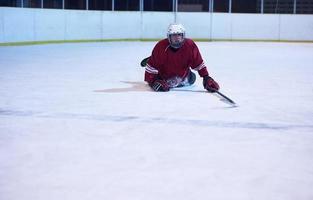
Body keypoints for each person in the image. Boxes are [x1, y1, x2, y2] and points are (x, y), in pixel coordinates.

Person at [144, 23, 220, 92]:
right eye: (174, 35)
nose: (177, 38)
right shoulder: (161, 47)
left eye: (179, 35)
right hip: (163, 77)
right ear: (169, 37)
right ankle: (152, 58)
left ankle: (154, 58)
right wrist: (153, 81)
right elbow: (150, 70)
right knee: (156, 60)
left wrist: (206, 77)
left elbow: (198, 63)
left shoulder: (190, 45)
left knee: (192, 79)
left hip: (183, 77)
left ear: (183, 36)